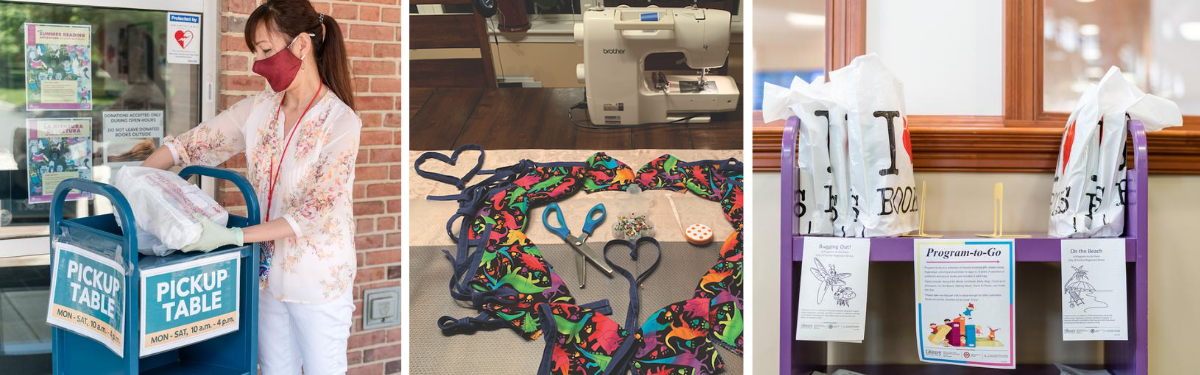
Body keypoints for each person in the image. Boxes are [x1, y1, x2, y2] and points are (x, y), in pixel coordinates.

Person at [139, 0, 360, 373]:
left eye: (266, 50)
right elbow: (188, 145)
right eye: (255, 52)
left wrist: (234, 238)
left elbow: (317, 211)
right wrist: (136, 184)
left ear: (301, 45)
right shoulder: (257, 109)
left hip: (318, 282)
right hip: (265, 280)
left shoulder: (340, 123)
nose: (258, 63)